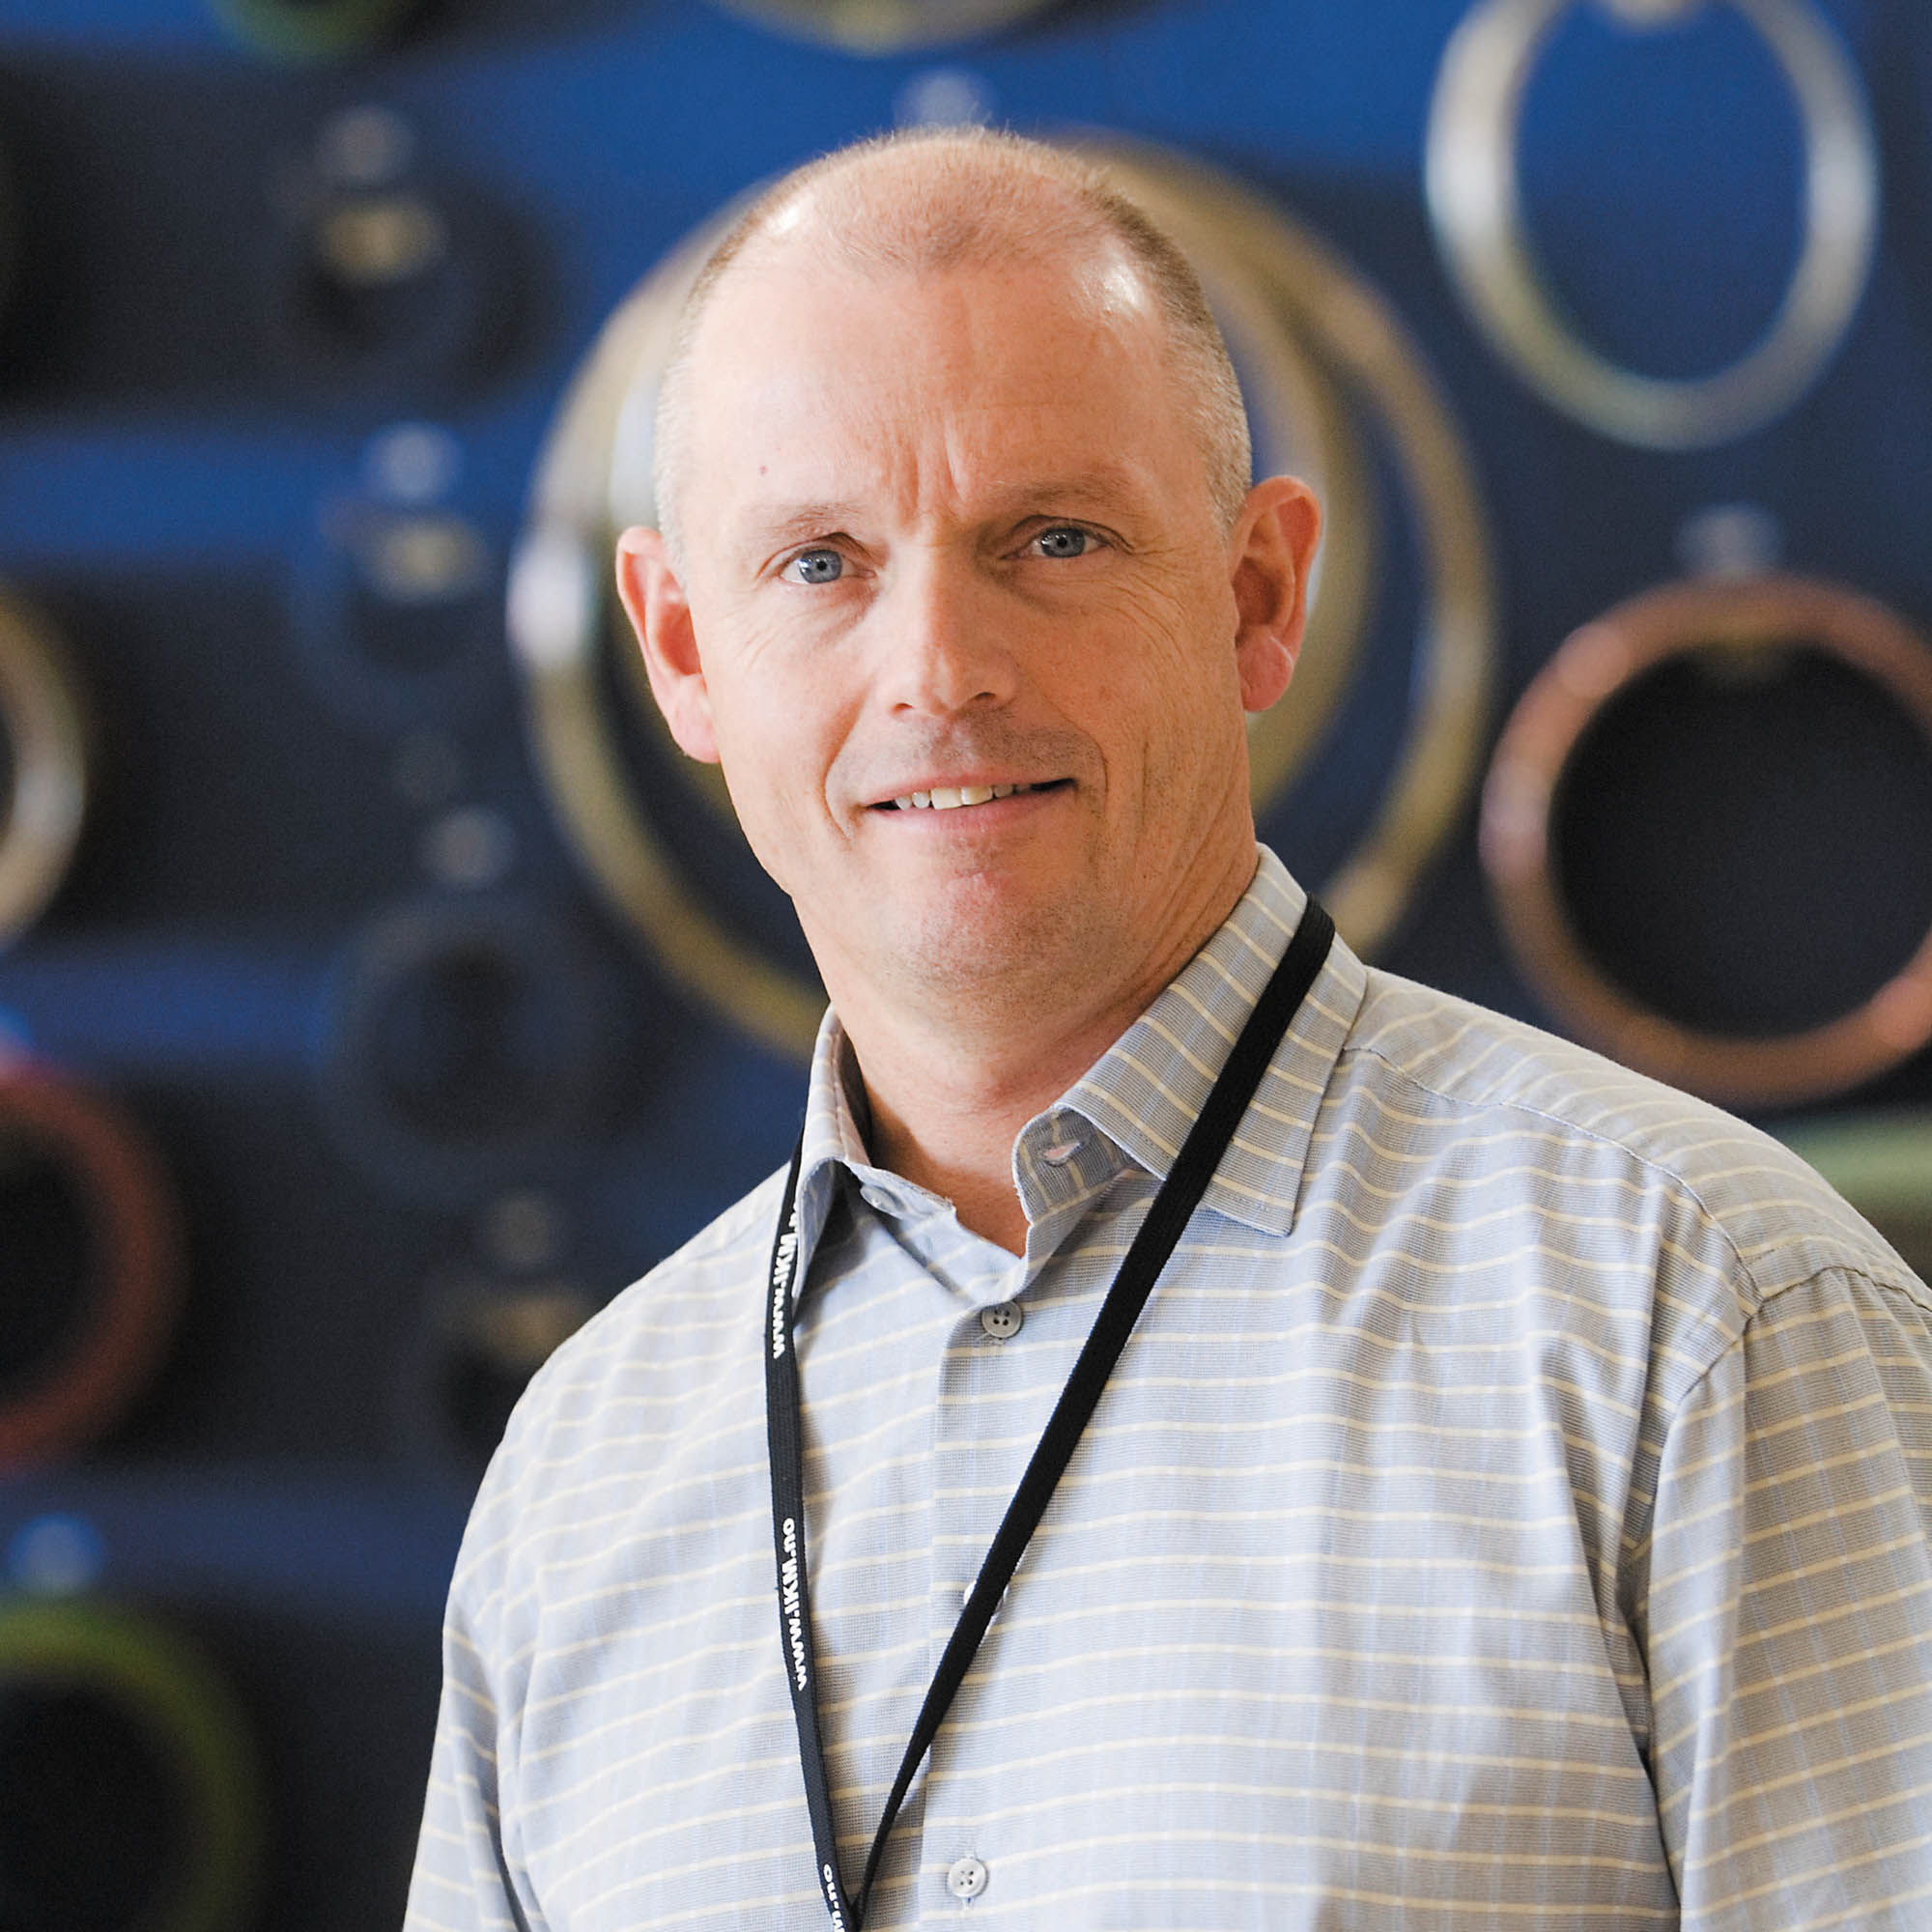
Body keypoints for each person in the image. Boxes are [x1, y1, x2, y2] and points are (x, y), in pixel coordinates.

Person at [405, 128, 1932, 1931]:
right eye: (820, 563)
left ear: (1257, 595)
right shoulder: (582, 1474)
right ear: (679, 651)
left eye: (1053, 539)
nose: (938, 669)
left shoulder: (1701, 1324)